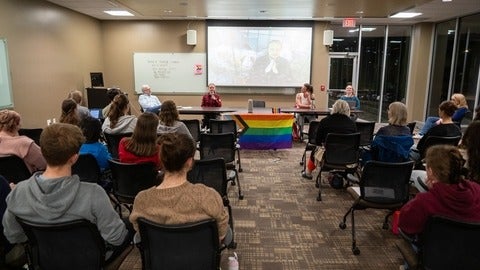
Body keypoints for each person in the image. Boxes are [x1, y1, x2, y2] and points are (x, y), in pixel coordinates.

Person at [2, 123, 133, 265]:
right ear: (74, 157)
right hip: (89, 262)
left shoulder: (18, 193)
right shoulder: (94, 194)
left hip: (45, 261)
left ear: (43, 152)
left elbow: (13, 236)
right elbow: (116, 238)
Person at [129, 132, 232, 245]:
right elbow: (221, 234)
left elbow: (140, 232)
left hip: (160, 260)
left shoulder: (142, 200)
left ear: (161, 160)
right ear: (189, 162)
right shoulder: (209, 196)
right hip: (202, 260)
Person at [398, 145, 480, 268]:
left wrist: (431, 191)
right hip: (471, 259)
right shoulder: (477, 191)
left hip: (434, 259)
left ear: (430, 172)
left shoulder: (425, 201)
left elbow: (406, 226)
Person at [302, 100, 357, 179]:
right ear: (347, 110)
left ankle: (308, 173)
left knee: (315, 150)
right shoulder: (352, 124)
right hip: (347, 156)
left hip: (328, 156)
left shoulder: (325, 121)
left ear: (334, 108)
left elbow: (318, 142)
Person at [0, 110, 46, 174]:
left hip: (5, 183)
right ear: (16, 125)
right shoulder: (23, 143)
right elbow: (45, 163)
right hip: (28, 182)